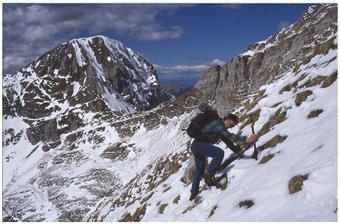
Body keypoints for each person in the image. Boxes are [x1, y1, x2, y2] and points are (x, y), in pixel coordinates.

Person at [189, 113, 257, 201]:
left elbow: (228, 141)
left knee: (199, 170)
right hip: (199, 145)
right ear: (227, 119)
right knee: (219, 153)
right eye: (232, 123)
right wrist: (246, 139)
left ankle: (193, 195)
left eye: (234, 125)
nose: (232, 126)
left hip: (196, 146)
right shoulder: (218, 124)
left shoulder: (220, 128)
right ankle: (208, 174)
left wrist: (238, 152)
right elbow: (231, 137)